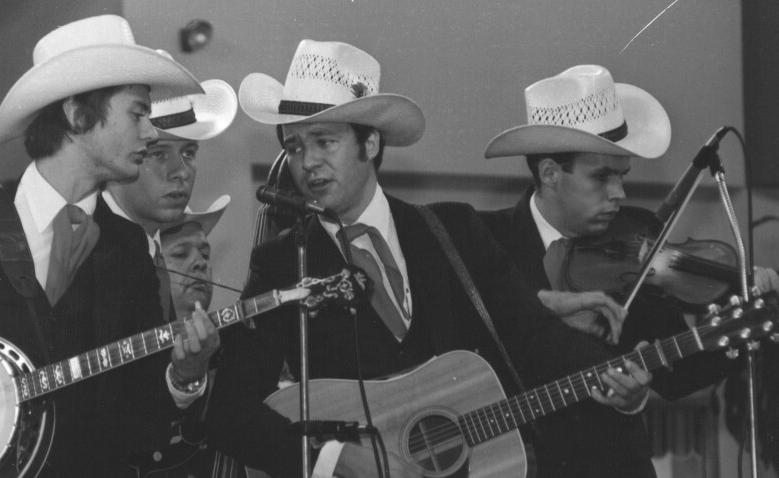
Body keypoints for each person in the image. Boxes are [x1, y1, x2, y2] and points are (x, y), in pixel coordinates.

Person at [206, 40, 652, 478]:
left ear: (371, 144)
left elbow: (533, 336)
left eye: (324, 141)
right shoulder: (283, 263)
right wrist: (335, 459)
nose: (308, 163)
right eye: (296, 146)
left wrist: (616, 385)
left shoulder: (453, 231)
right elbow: (229, 413)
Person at [0, 15, 209, 477]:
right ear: (77, 113)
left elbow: (142, 422)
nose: (150, 132)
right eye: (138, 113)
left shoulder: (131, 250)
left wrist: (185, 377)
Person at [479, 64, 738, 478]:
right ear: (549, 173)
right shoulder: (484, 242)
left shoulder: (640, 238)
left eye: (622, 176)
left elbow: (677, 376)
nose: (619, 194)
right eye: (602, 177)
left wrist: (740, 330)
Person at [104, 81, 237, 391]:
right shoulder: (89, 244)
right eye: (160, 154)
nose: (181, 171)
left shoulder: (145, 253)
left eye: (189, 152)